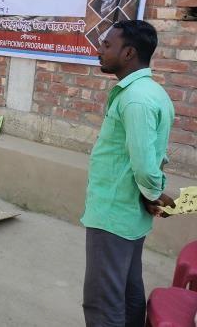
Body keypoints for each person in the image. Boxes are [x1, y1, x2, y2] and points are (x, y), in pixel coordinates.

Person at [82, 20, 176, 326]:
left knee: (103, 300)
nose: (100, 50)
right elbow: (157, 152)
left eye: (107, 45)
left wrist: (153, 192)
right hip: (129, 214)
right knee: (127, 288)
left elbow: (145, 164)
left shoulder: (135, 98)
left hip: (114, 211)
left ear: (128, 53)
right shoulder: (152, 91)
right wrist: (152, 193)